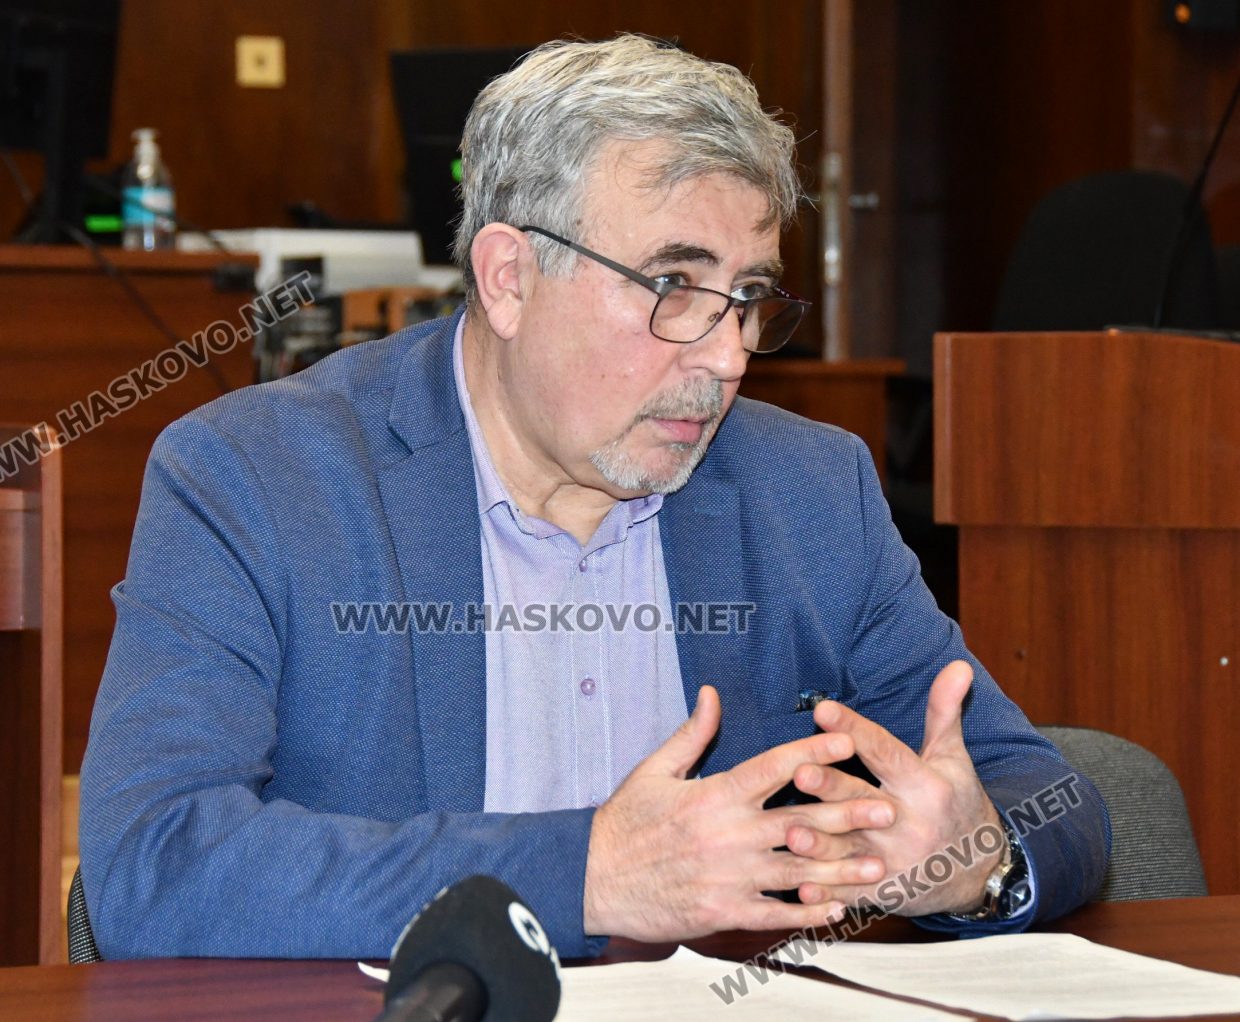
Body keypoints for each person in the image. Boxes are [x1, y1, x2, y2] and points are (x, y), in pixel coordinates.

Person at [79, 34, 1109, 960]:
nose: (727, 355)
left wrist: (974, 858)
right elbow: (152, 862)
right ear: (509, 278)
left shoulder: (808, 490)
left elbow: (1047, 793)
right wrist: (584, 873)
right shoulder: (257, 476)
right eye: (673, 286)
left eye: (749, 297)